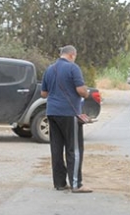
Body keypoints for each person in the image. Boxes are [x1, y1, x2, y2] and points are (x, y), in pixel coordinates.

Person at [40, 45, 92, 193]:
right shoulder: (73, 68)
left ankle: (60, 183)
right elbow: (81, 91)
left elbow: (43, 93)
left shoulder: (50, 69)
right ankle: (76, 184)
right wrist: (87, 93)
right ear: (71, 55)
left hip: (52, 112)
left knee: (56, 149)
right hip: (69, 113)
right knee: (74, 149)